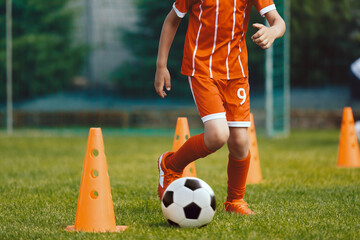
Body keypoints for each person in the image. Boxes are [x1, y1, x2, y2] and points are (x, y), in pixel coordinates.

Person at [154, 0, 286, 215]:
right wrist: (161, 65)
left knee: (241, 142)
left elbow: (278, 22)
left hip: (237, 73)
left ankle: (235, 201)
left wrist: (273, 32)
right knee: (217, 135)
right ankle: (171, 165)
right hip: (202, 69)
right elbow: (172, 20)